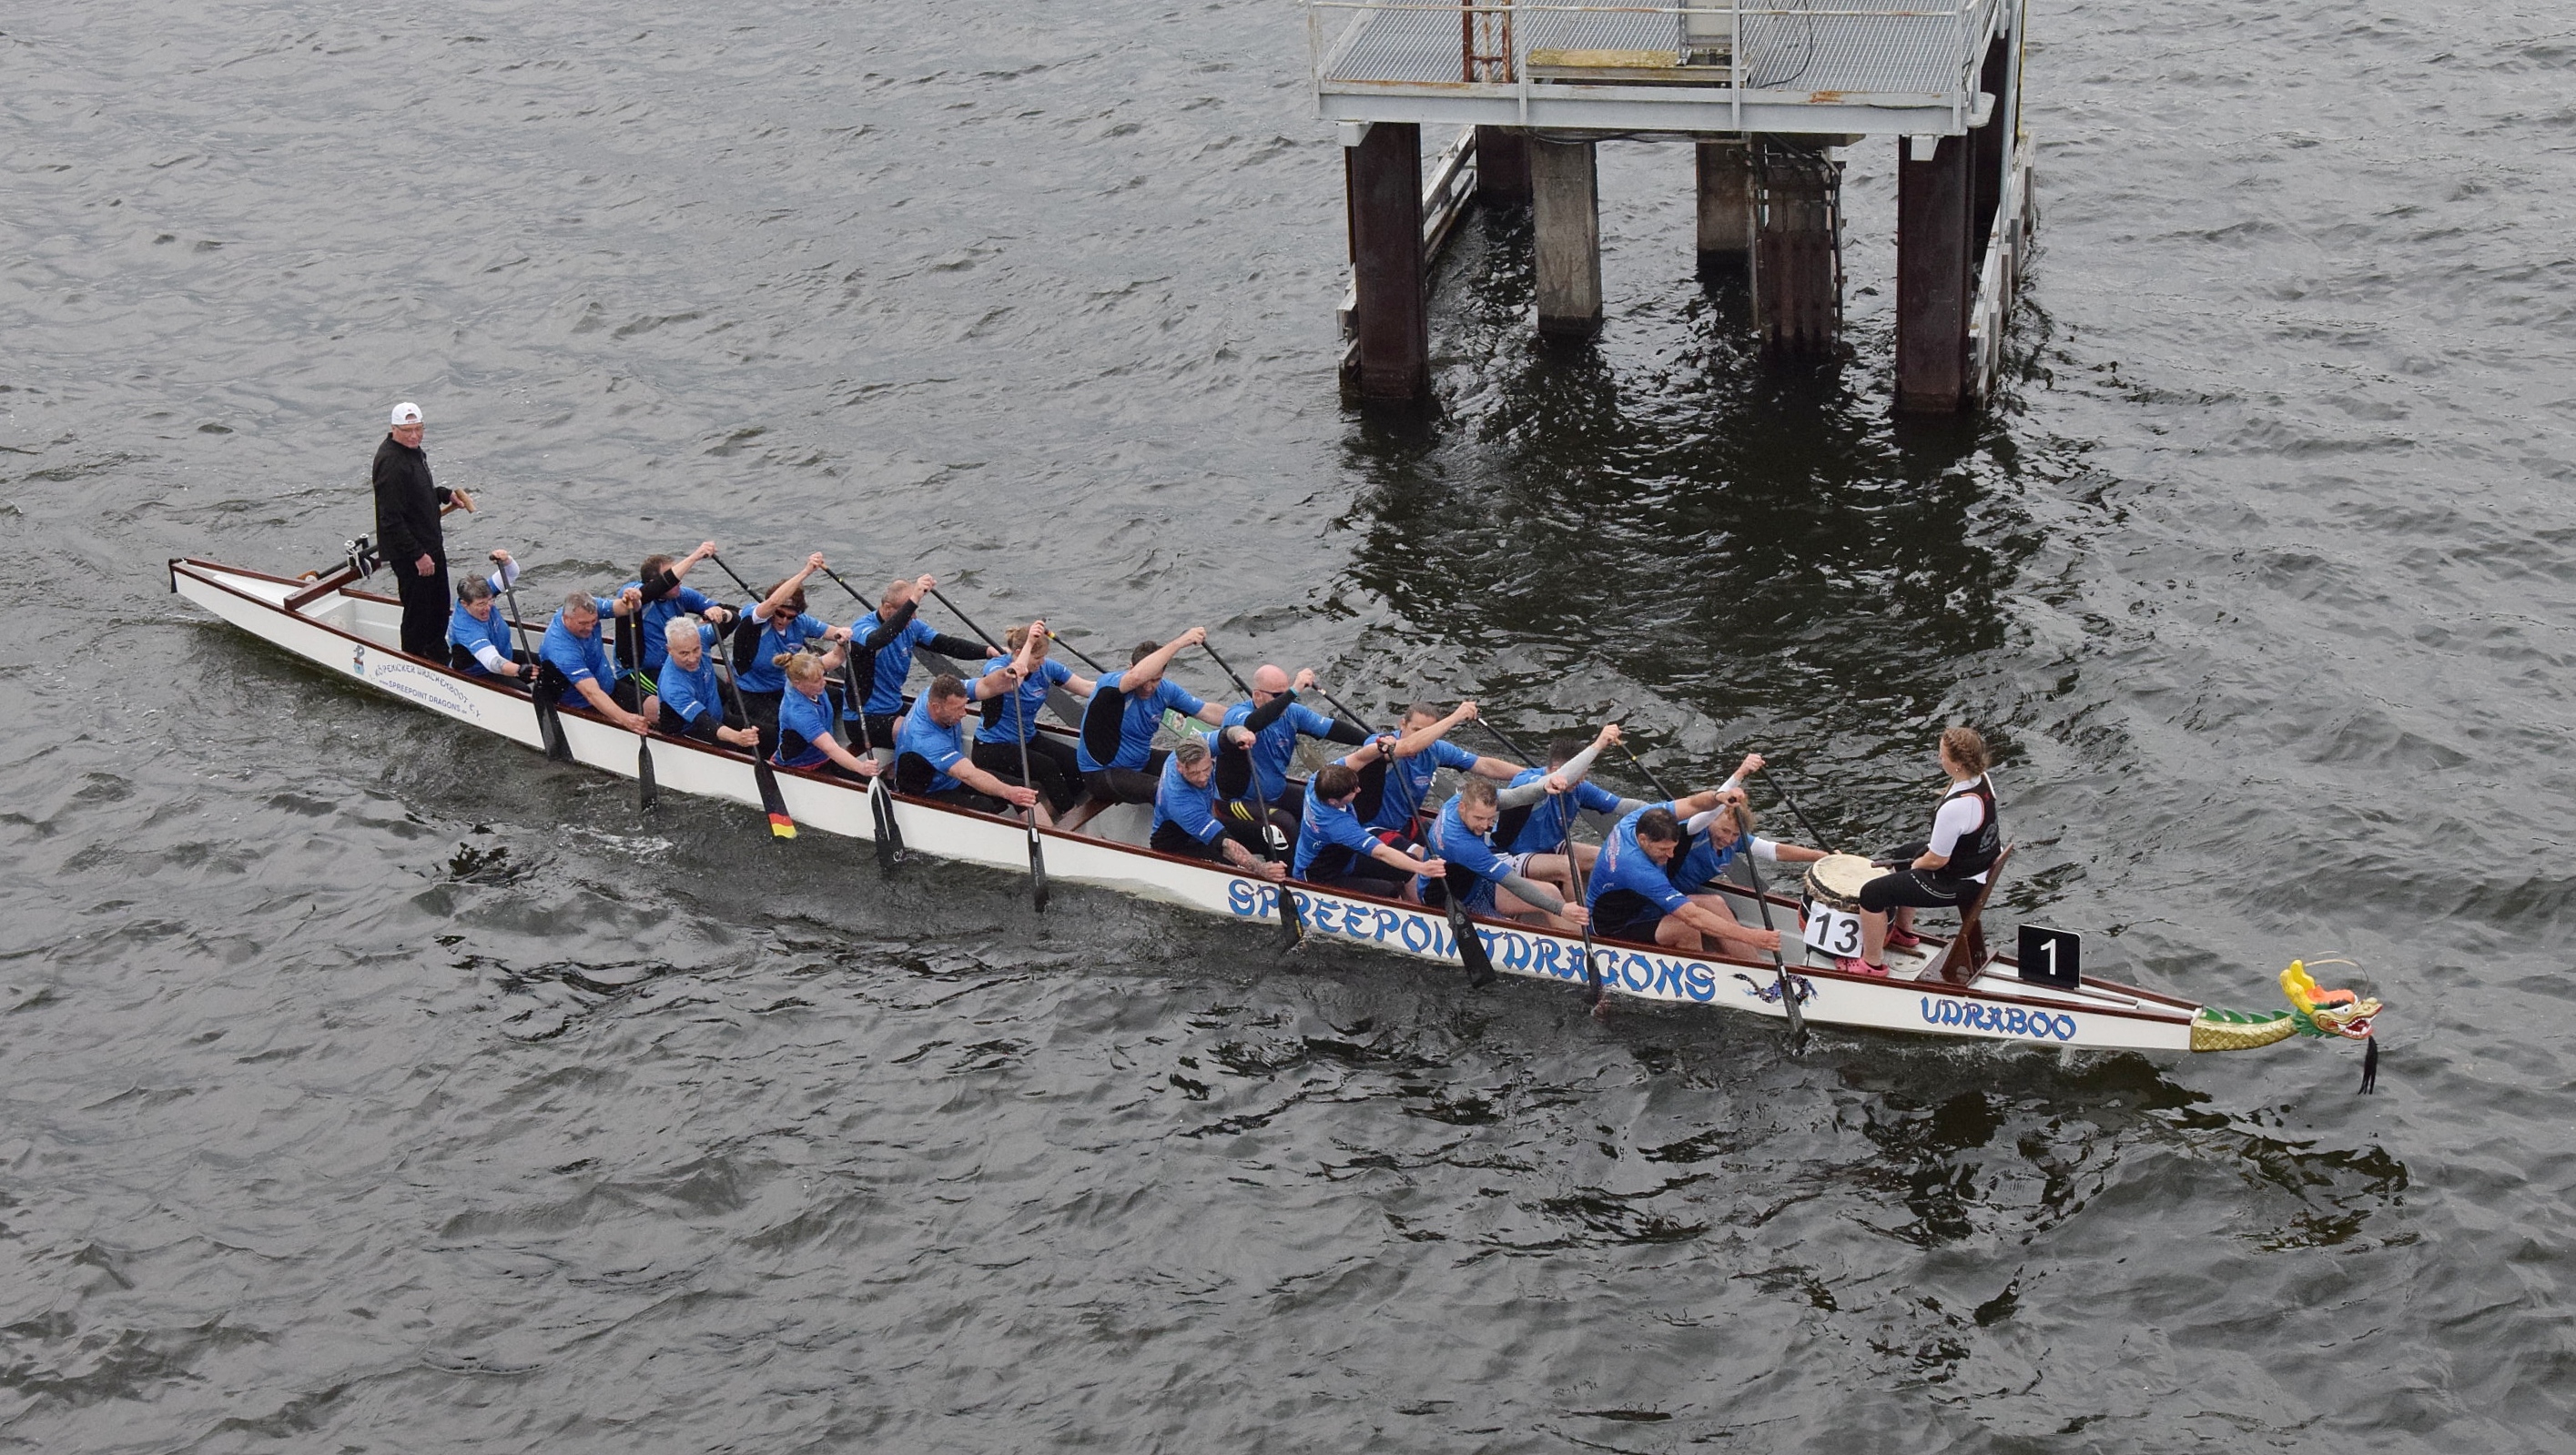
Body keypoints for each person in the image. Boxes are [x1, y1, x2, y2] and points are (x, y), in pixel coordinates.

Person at [1844, 726, 2003, 977]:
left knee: (1872, 893)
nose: (1939, 758)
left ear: (1958, 764)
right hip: (1976, 865)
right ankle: (1903, 933)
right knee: (1902, 854)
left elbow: (1937, 860)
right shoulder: (1982, 779)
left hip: (1961, 883)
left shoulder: (1956, 808)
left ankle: (1871, 964)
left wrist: (1916, 866)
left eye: (1943, 755)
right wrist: (1913, 861)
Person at [1065, 630, 1229, 828]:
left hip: (1140, 761)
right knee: (1163, 790)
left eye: (1156, 680)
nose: (1149, 687)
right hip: (1101, 773)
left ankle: (1220, 824)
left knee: (1202, 768)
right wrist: (1180, 642)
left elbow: (1207, 711)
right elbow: (1136, 678)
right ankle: (1180, 839)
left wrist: (1244, 719)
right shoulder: (1110, 685)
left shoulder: (1166, 690)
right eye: (1147, 679)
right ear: (1130, 668)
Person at [1586, 795, 1783, 957]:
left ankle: (1759, 971)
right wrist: (1751, 936)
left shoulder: (1637, 819)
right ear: (1643, 840)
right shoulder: (1636, 868)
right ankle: (1704, 979)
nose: (1671, 855)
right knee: (1686, 927)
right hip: (1615, 925)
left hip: (1646, 905)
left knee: (1714, 903)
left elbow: (1693, 803)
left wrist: (1721, 796)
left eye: (1673, 848)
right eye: (1664, 849)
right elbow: (1692, 916)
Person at [1213, 664, 1368, 847]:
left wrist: (1372, 740)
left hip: (1276, 793)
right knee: (1286, 826)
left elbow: (1332, 729)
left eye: (1286, 693)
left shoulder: (1293, 713)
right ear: (1257, 696)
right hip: (1235, 803)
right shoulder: (1236, 715)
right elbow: (1252, 724)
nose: (1286, 701)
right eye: (1279, 696)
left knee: (1324, 806)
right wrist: (1294, 691)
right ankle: (1296, 864)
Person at [373, 401, 474, 657]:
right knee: (418, 614)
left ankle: (439, 655)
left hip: (431, 545)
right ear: (394, 429)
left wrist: (444, 494)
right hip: (412, 554)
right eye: (407, 431)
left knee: (439, 607)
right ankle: (414, 660)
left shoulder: (414, 452)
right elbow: (390, 519)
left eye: (418, 429)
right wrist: (418, 555)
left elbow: (418, 495)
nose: (414, 436)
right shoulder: (391, 463)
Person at [845, 573, 989, 753]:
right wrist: (914, 598)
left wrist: (988, 651)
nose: (913, 616)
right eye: (908, 611)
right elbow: (878, 639)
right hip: (862, 719)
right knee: (920, 734)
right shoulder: (862, 629)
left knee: (949, 721)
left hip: (894, 707)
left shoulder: (912, 627)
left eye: (914, 610)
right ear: (888, 608)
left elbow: (947, 644)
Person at [1427, 775, 1590, 933]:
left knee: (1551, 893)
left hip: (1476, 881)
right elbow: (1512, 882)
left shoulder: (1461, 799)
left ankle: (1579, 941)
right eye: (1479, 818)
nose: (1484, 825)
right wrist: (1560, 909)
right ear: (1462, 807)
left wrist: (1543, 788)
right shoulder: (1461, 844)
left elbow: (1514, 796)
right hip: (1453, 900)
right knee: (1512, 929)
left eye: (1490, 819)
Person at [1350, 701, 1520, 843]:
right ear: (1402, 724)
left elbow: (1484, 765)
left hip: (1405, 823)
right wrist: (1456, 716)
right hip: (1369, 828)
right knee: (1419, 858)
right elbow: (1409, 747)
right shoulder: (1379, 743)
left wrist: (1531, 774)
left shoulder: (1435, 749)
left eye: (1428, 732)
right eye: (1416, 730)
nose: (1422, 737)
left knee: (1448, 847)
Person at [1292, 747, 1447, 901]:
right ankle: (1405, 906)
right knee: (1391, 889)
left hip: (1343, 857)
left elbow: (1359, 757)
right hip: (1321, 875)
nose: (1359, 790)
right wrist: (1423, 868)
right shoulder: (1339, 826)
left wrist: (1379, 747)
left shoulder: (1318, 780)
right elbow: (1382, 853)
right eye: (1353, 791)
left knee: (1409, 866)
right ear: (1333, 801)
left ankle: (1418, 903)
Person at [972, 621, 1093, 816]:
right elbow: (1013, 680)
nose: (1042, 662)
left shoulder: (1046, 668)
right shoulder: (996, 667)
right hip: (992, 746)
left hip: (1026, 738)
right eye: (1038, 657)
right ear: (1020, 653)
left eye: (1044, 656)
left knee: (1077, 762)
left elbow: (1086, 687)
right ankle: (1068, 816)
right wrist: (1029, 644)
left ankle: (1056, 810)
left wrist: (1122, 683)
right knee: (1047, 767)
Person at [727, 553, 848, 743]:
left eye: (790, 616)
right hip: (749, 692)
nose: (784, 620)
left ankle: (824, 740)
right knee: (785, 727)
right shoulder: (755, 619)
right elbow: (773, 603)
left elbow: (836, 633)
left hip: (782, 687)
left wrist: (844, 635)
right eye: (780, 614)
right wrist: (807, 571)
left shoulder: (800, 622)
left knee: (837, 697)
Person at [894, 673, 1045, 819]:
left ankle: (1045, 831)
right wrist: (1009, 793)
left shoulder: (935, 692)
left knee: (1024, 789)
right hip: (926, 793)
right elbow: (968, 774)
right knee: (986, 805)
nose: (964, 713)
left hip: (949, 779)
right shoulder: (925, 739)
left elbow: (986, 685)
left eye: (964, 706)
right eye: (957, 709)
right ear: (936, 707)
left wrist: (1008, 672)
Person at [1502, 725, 1639, 870]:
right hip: (1510, 854)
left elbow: (1622, 805)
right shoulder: (1526, 781)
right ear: (1556, 771)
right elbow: (1547, 782)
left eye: (1585, 773)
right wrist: (1598, 745)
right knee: (1567, 866)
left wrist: (1656, 809)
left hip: (1548, 848)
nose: (1582, 780)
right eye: (1579, 774)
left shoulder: (1579, 787)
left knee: (1608, 857)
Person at [1151, 737, 1289, 880]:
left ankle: (1287, 877)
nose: (1203, 778)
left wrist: (1241, 734)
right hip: (1179, 845)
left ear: (1209, 755)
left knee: (1268, 834)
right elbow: (1225, 845)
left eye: (1206, 769)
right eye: (1194, 773)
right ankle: (1271, 876)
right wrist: (1261, 869)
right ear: (1179, 767)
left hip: (1203, 821)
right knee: (1237, 865)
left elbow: (1226, 735)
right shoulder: (1180, 803)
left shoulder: (1199, 745)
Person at [537, 588, 653, 734]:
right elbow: (591, 693)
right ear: (566, 618)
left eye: (593, 621)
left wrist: (634, 601)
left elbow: (626, 608)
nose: (590, 628)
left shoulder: (590, 607)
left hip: (608, 686)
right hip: (582, 703)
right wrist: (626, 719)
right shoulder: (560, 649)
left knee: (656, 708)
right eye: (583, 623)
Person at [622, 541, 734, 675]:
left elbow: (736, 613)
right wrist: (695, 557)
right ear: (654, 583)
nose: (679, 582)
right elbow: (658, 586)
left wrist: (722, 613)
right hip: (639, 671)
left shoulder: (682, 595)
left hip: (677, 664)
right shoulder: (633, 593)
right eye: (675, 579)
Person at [772, 651, 880, 781]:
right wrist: (861, 768)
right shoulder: (798, 713)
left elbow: (836, 656)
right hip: (802, 766)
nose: (823, 682)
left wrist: (841, 644)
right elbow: (830, 748)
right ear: (797, 683)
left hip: (822, 756)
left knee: (837, 695)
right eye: (816, 681)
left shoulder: (808, 672)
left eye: (823, 676)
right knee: (864, 778)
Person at [656, 619, 759, 749]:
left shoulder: (701, 637)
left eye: (696, 650)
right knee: (747, 747)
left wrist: (723, 614)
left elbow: (734, 620)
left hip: (717, 716)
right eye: (684, 653)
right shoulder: (672, 686)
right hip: (692, 733)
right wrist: (737, 737)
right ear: (669, 650)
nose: (692, 659)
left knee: (769, 735)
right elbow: (704, 722)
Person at [445, 550, 531, 681]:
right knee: (524, 689)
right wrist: (518, 670)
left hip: (504, 655)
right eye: (481, 604)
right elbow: (492, 661)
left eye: (490, 600)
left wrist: (506, 560)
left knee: (543, 664)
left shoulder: (483, 593)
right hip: (480, 673)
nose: (487, 608)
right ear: (465, 604)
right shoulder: (465, 627)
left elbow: (511, 573)